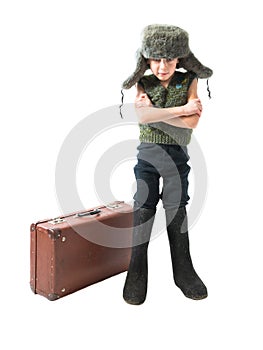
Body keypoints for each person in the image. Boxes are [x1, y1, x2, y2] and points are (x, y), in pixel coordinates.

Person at [121, 24, 213, 305]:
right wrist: (181, 110)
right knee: (143, 208)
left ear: (180, 59)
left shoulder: (190, 81)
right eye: (156, 59)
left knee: (177, 208)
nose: (162, 66)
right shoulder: (143, 83)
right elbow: (143, 117)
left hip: (177, 159)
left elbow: (190, 127)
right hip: (147, 158)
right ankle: (136, 273)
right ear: (146, 59)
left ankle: (183, 271)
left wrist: (158, 113)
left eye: (170, 59)